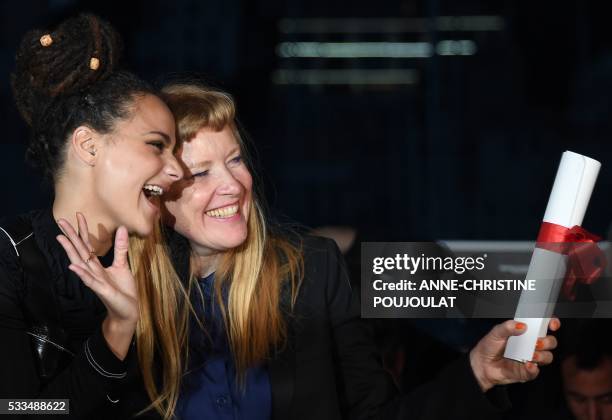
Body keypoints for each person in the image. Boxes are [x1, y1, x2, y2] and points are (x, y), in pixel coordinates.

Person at [154, 82, 561, 419]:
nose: (234, 183)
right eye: (202, 172)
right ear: (158, 191)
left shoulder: (312, 272)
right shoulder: (124, 291)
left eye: (236, 159)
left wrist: (478, 373)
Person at [0, 14, 186, 419]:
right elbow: (19, 411)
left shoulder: (171, 258)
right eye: (157, 145)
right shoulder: (9, 259)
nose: (178, 171)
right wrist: (119, 327)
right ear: (87, 145)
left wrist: (363, 251)